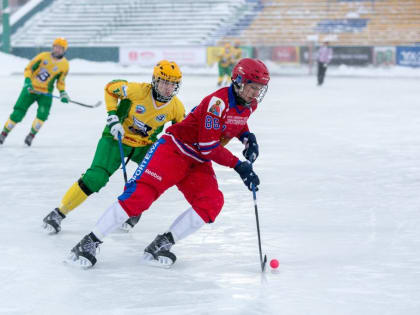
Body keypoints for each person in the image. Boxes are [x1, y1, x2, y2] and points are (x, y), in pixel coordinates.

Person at [66, 58, 270, 268]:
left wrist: (248, 138)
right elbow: (208, 145)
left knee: (211, 203)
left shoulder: (249, 105)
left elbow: (235, 122)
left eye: (260, 89)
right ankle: (89, 242)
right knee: (140, 197)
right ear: (238, 81)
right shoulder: (217, 103)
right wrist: (239, 166)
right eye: (253, 87)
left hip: (197, 161)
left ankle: (161, 245)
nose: (256, 93)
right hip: (174, 150)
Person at [42, 60, 185, 234]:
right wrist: (112, 117)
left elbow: (181, 132)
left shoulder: (176, 107)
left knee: (153, 178)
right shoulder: (137, 91)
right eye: (164, 82)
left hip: (144, 147)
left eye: (172, 84)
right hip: (116, 139)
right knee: (96, 178)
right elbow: (110, 88)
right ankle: (59, 212)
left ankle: (135, 209)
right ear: (155, 80)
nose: (168, 88)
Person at [0, 37, 70, 146]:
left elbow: (61, 81)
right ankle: (3, 134)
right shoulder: (43, 57)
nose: (57, 50)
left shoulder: (65, 65)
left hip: (46, 94)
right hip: (30, 89)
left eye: (60, 48)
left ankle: (31, 136)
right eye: (56, 47)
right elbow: (29, 68)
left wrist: (63, 92)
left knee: (42, 115)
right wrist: (27, 81)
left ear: (64, 50)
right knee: (17, 113)